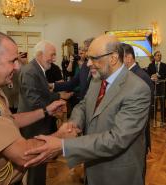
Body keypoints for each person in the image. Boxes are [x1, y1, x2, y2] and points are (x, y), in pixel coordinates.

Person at [24, 34, 151, 185]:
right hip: (92, 168)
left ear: (113, 58)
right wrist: (74, 123)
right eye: (88, 58)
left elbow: (117, 139)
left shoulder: (137, 88)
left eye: (94, 58)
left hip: (117, 174)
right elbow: (84, 105)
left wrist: (64, 145)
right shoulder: (98, 79)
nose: (89, 63)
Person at [0, 31, 68, 185]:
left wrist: (46, 111)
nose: (17, 66)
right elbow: (23, 154)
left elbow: (9, 119)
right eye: (12, 61)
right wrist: (61, 136)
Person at [18, 40, 73, 185]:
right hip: (34, 125)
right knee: (36, 163)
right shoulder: (30, 71)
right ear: (40, 54)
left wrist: (55, 99)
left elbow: (44, 94)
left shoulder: (38, 69)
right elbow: (34, 101)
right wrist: (53, 108)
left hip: (39, 122)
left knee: (39, 164)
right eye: (52, 55)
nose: (54, 59)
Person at [122, 43, 154, 176]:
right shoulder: (131, 74)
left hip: (137, 134)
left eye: (119, 58)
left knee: (137, 172)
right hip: (131, 133)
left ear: (128, 58)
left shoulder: (140, 76)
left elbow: (145, 109)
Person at [147, 51, 166, 125]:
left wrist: (159, 75)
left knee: (162, 103)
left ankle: (163, 119)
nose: (159, 56)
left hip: (162, 87)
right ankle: (153, 118)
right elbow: (148, 74)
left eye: (160, 55)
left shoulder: (165, 65)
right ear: (154, 57)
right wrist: (152, 76)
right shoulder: (150, 65)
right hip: (154, 87)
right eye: (158, 55)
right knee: (154, 103)